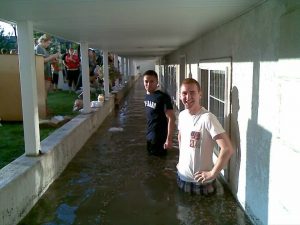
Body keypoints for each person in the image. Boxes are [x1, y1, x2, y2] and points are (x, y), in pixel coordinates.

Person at [177, 78, 233, 195]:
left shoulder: (207, 118)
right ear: (180, 95)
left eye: (192, 92)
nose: (188, 97)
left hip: (202, 183)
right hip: (182, 177)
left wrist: (212, 173)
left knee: (203, 212)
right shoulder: (182, 116)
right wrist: (181, 163)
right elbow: (181, 137)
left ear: (200, 94)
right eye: (184, 93)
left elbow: (227, 149)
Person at [143, 70, 175, 156]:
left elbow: (171, 118)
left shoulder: (163, 97)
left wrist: (169, 139)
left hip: (160, 137)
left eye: (152, 81)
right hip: (149, 136)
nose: (148, 84)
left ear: (157, 82)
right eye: (146, 81)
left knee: (160, 163)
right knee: (150, 161)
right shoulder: (147, 96)